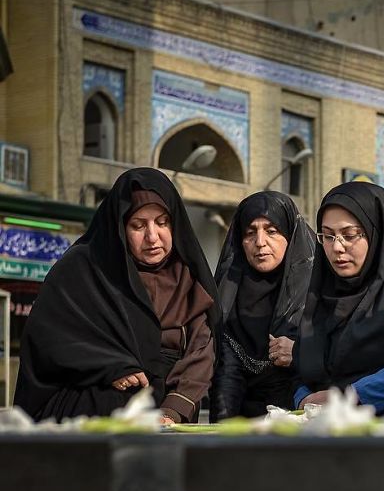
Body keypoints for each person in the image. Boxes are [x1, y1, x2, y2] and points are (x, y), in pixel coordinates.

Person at [13, 167, 219, 423]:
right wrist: (108, 365)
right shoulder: (83, 268)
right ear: (120, 227)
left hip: (161, 420)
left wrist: (174, 409)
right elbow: (48, 340)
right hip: (88, 413)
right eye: (138, 225)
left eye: (162, 222)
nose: (152, 237)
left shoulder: (187, 281)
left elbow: (200, 353)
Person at [293, 181, 384, 413]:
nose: (337, 247)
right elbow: (300, 367)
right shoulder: (321, 293)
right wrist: (303, 400)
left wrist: (352, 396)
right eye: (328, 236)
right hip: (323, 435)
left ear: (377, 232)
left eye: (349, 235)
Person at [210, 191, 315, 420]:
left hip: (297, 421)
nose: (259, 242)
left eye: (271, 231)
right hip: (236, 426)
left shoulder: (317, 292)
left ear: (290, 235)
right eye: (250, 233)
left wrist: (299, 352)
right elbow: (225, 378)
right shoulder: (227, 295)